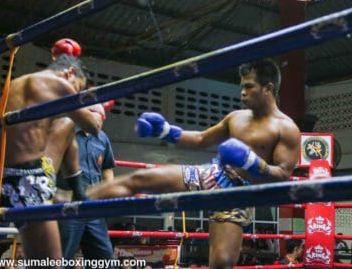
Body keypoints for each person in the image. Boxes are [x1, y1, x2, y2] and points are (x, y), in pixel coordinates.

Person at [87, 58, 301, 268]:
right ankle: (77, 200)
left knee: (221, 263)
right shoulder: (236, 117)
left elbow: (283, 173)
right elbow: (200, 139)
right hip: (211, 174)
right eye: (241, 86)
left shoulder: (286, 128)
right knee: (140, 178)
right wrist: (165, 131)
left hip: (238, 195)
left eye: (249, 86)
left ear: (268, 88)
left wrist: (252, 162)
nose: (242, 92)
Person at [0, 54, 101, 264]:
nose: (76, 93)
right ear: (69, 73)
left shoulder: (15, 84)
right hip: (27, 184)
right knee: (51, 264)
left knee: (67, 124)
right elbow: (92, 127)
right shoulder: (59, 83)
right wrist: (98, 109)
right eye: (77, 88)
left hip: (8, 180)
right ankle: (76, 194)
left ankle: (77, 192)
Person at [56, 103, 116, 267]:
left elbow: (107, 168)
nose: (99, 124)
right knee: (60, 260)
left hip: (94, 208)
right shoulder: (65, 131)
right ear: (86, 116)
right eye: (98, 119)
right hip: (68, 206)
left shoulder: (102, 138)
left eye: (102, 121)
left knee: (104, 260)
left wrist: (109, 192)